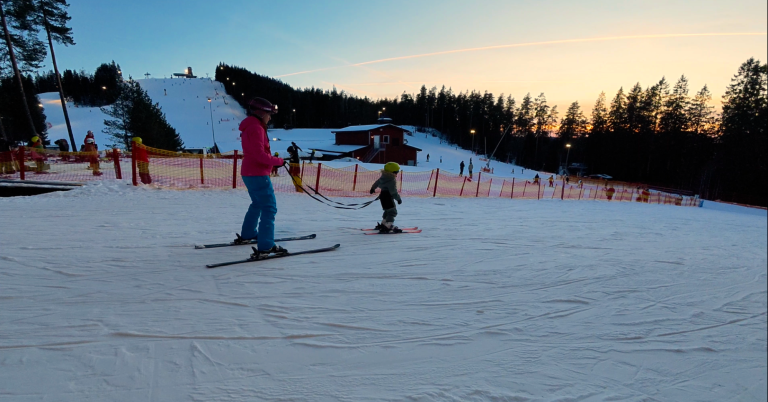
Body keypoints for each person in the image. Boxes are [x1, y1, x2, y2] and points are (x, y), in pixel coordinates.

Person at [236, 97, 287, 255]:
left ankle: (249, 234)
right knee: (269, 208)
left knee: (257, 204)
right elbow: (259, 154)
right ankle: (266, 246)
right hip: (257, 173)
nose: (270, 117)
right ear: (261, 113)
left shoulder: (250, 126)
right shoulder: (256, 128)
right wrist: (278, 161)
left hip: (249, 172)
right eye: (269, 114)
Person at [370, 162, 403, 233]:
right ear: (392, 172)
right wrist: (398, 199)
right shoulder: (391, 180)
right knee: (392, 212)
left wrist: (373, 188)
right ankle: (388, 225)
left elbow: (377, 182)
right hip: (388, 197)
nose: (397, 174)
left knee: (387, 210)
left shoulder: (383, 177)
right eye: (396, 172)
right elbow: (393, 191)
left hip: (382, 196)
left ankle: (384, 223)